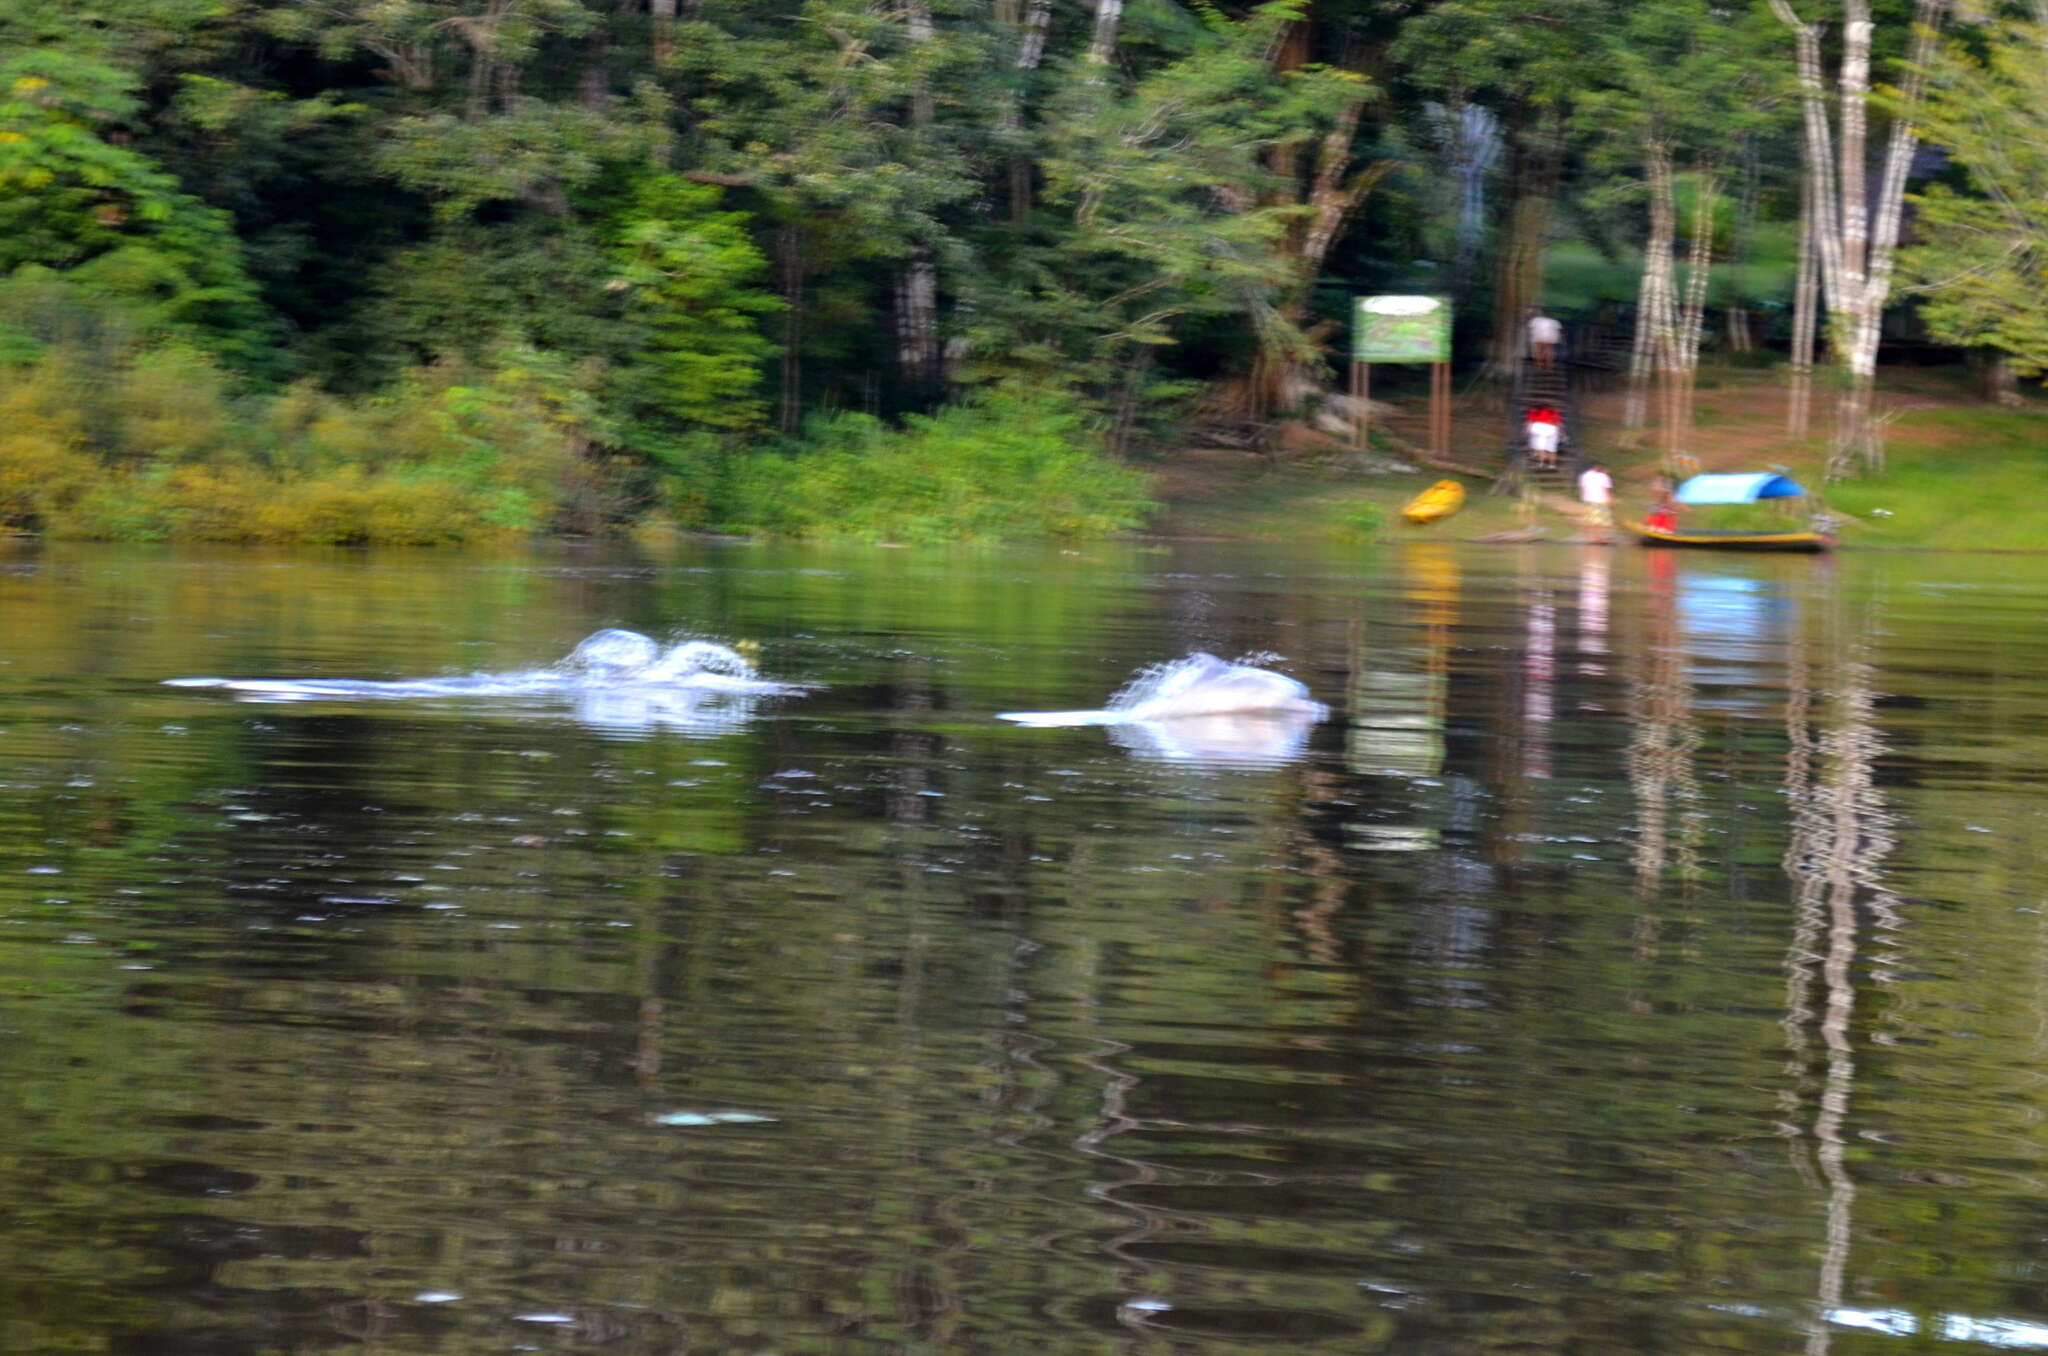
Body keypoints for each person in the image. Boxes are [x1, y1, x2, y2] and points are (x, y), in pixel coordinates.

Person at [1577, 460, 1614, 540]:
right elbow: (1607, 490)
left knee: (1592, 519)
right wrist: (1610, 499)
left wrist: (1583, 498)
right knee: (1600, 520)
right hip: (1601, 500)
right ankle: (1597, 537)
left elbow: (1582, 488)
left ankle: (1592, 536)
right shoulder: (1604, 477)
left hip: (1588, 500)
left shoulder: (1584, 476)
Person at [1525, 405, 1561, 469]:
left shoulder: (1535, 411)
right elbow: (1558, 423)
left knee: (1541, 448)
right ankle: (1552, 465)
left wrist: (1527, 430)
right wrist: (1559, 432)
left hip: (1540, 427)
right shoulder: (1553, 411)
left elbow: (1530, 421)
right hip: (1552, 428)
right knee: (1552, 449)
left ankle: (1541, 463)